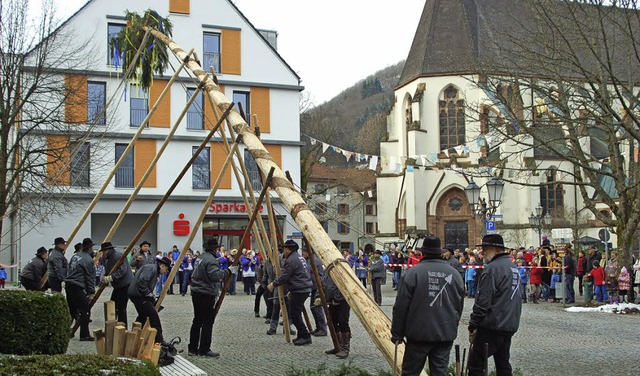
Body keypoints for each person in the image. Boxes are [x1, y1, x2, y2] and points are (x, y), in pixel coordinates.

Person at [391, 236, 464, 376]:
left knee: (410, 372)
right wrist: (451, 325)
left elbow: (401, 307)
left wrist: (397, 333)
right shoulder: (455, 274)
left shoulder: (412, 273)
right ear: (441, 253)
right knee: (439, 373)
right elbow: (459, 305)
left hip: (418, 334)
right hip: (444, 333)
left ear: (422, 253)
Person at [467, 234, 522, 376]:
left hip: (493, 324)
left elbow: (483, 301)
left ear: (497, 250)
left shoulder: (492, 269)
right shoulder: (512, 267)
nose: (482, 252)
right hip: (508, 323)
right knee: (503, 364)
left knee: (475, 364)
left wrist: (473, 323)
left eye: (485, 248)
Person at [188, 238, 230, 358]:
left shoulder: (200, 257)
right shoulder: (211, 260)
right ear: (215, 249)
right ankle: (204, 349)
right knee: (207, 322)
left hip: (196, 291)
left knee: (197, 320)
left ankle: (192, 348)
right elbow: (215, 276)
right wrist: (228, 271)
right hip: (206, 293)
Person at [268, 240, 313, 346]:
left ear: (288, 249)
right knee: (296, 312)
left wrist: (273, 284)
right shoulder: (299, 257)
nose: (283, 250)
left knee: (295, 314)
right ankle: (301, 335)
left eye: (284, 248)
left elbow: (285, 276)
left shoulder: (291, 260)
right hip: (302, 287)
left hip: (300, 289)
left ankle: (306, 336)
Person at [128, 256, 171, 344]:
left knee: (143, 316)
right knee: (153, 315)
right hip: (138, 295)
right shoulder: (151, 268)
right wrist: (149, 294)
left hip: (137, 294)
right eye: (166, 269)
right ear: (162, 265)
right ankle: (159, 340)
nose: (165, 271)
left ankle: (133, 336)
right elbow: (142, 282)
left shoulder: (153, 270)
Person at [65, 238, 97, 341]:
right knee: (85, 310)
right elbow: (89, 277)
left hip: (69, 284)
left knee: (72, 310)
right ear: (90, 248)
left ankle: (65, 331)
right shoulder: (88, 260)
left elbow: (69, 268)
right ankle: (84, 334)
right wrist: (91, 291)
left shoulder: (75, 255)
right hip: (77, 286)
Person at [101, 242, 133, 327]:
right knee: (113, 305)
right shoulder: (108, 258)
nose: (103, 253)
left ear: (108, 250)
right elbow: (108, 270)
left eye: (104, 251)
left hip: (125, 284)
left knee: (121, 307)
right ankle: (114, 327)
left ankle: (123, 328)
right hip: (118, 286)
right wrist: (105, 277)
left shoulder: (118, 256)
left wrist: (112, 277)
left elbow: (123, 270)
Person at [322, 265, 351, 358]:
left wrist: (337, 298)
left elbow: (344, 286)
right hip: (331, 301)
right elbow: (324, 284)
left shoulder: (340, 269)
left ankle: (345, 348)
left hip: (342, 302)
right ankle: (337, 346)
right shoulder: (327, 270)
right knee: (332, 323)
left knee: (343, 323)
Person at [301, 247, 328, 336]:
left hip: (318, 287)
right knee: (313, 308)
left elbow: (308, 272)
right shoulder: (309, 260)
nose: (303, 253)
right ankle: (318, 327)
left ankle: (323, 329)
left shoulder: (313, 261)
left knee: (317, 308)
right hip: (313, 287)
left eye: (304, 252)